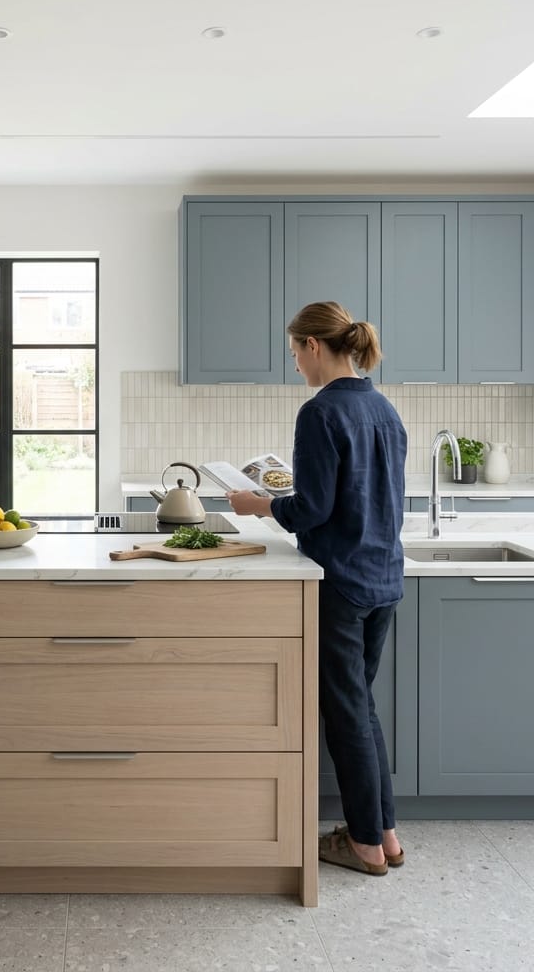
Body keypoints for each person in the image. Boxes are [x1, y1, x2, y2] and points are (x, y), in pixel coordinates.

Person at [227, 301, 407, 877]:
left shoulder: (320, 412)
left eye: (294, 354)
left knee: (347, 712)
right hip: (383, 576)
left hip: (342, 582)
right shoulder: (383, 407)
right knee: (361, 707)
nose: (296, 366)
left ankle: (364, 845)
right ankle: (385, 836)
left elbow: (312, 509)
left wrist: (259, 504)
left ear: (312, 346)